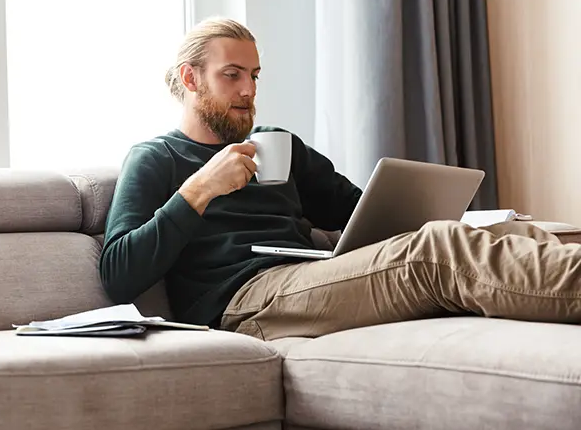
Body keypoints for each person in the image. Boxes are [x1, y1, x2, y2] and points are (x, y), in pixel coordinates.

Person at [98, 17, 581, 341]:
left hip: (308, 277)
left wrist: (427, 210)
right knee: (436, 249)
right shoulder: (156, 157)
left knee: (510, 232)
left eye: (255, 75)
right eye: (232, 75)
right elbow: (120, 274)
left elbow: (360, 212)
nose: (249, 90)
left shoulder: (276, 142)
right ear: (191, 79)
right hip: (245, 303)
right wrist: (200, 188)